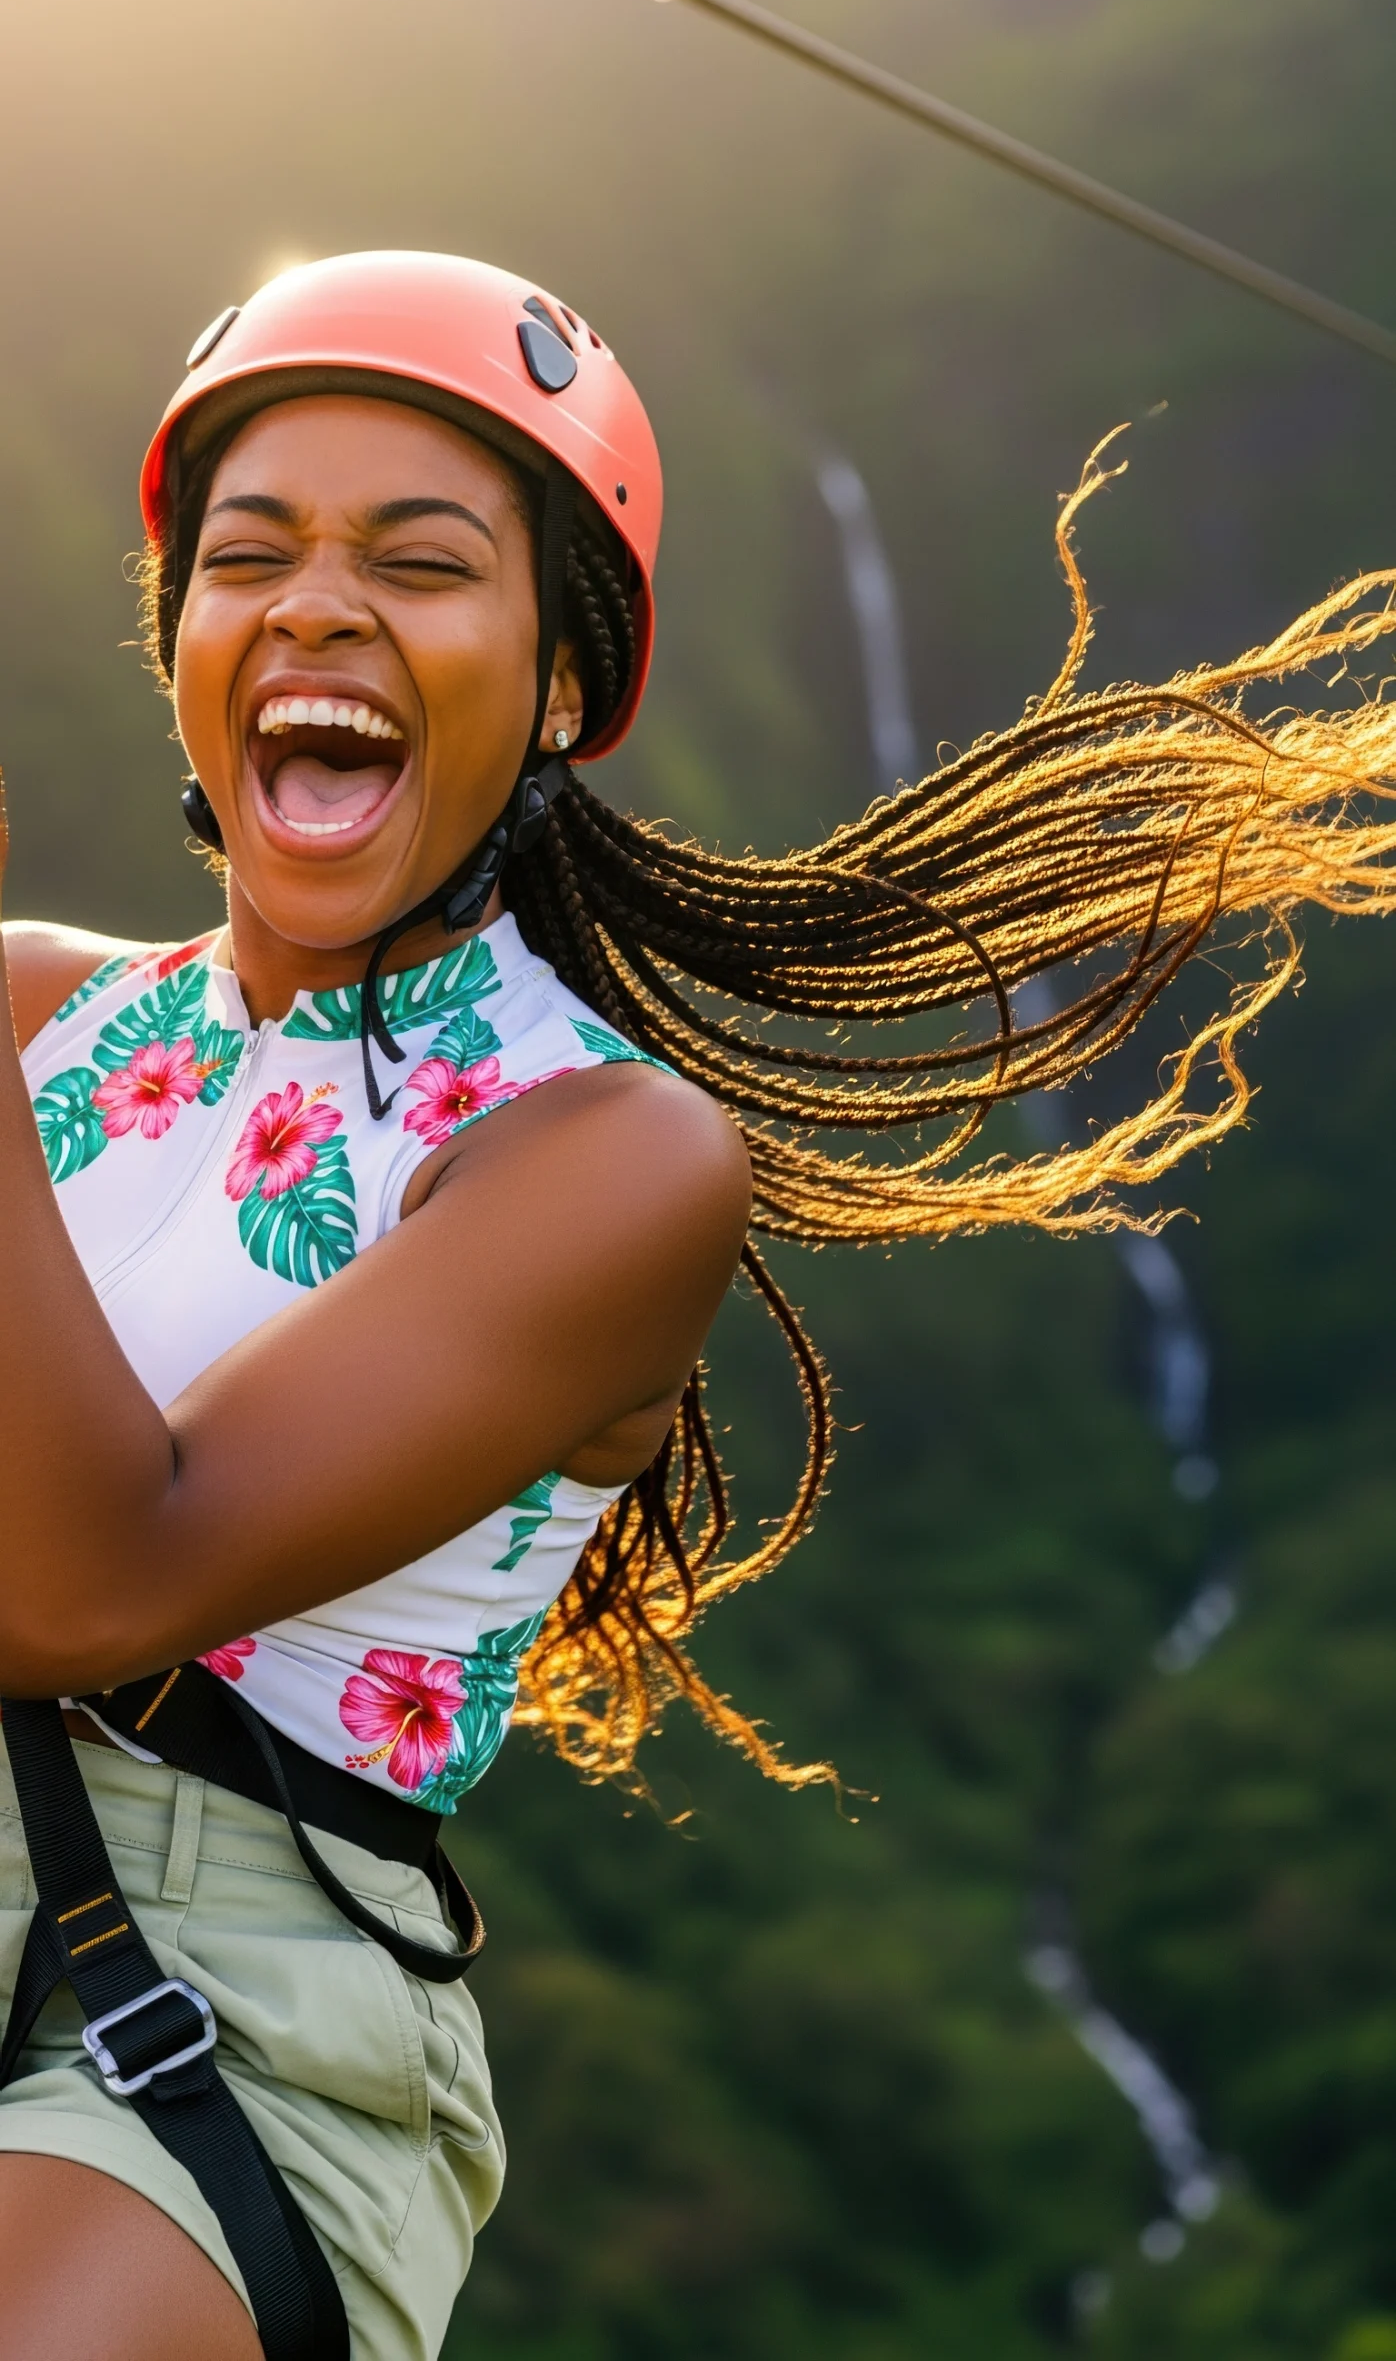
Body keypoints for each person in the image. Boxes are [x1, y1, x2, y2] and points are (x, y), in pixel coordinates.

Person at [0, 252, 1393, 2361]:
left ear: (559, 678)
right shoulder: (41, 1012)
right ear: (179, 636)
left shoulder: (605, 1156)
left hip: (212, 2012)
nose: (307, 603)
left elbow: (95, 1584)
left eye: (421, 558)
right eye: (245, 554)